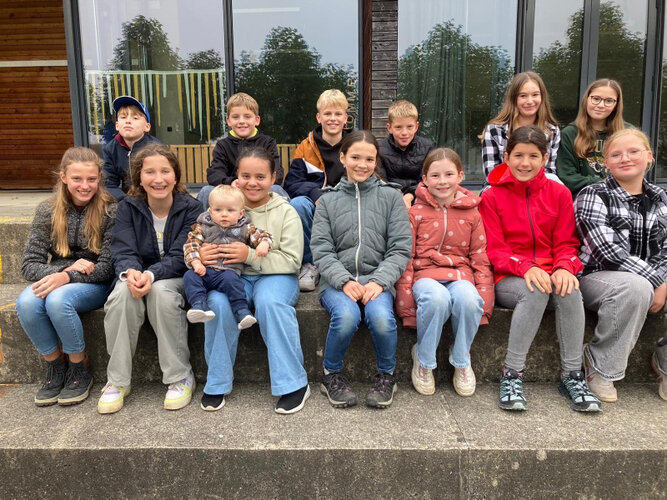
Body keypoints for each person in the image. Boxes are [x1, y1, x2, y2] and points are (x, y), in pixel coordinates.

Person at [479, 125, 601, 412]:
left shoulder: (559, 193)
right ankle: (512, 374)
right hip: (510, 277)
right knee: (534, 291)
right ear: (506, 157)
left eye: (533, 156)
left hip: (550, 271)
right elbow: (494, 250)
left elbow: (567, 242)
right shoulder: (491, 196)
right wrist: (525, 267)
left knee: (570, 290)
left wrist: (564, 267)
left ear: (545, 158)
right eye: (518, 155)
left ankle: (572, 376)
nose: (525, 163)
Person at [197, 147, 310, 414]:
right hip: (230, 276)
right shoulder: (223, 207)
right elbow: (198, 238)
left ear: (273, 178)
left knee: (270, 303)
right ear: (236, 176)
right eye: (246, 176)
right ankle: (217, 381)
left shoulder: (286, 212)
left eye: (260, 177)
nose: (252, 183)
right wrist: (201, 254)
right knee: (218, 303)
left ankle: (293, 383)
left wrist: (248, 255)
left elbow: (292, 260)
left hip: (275, 276)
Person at [98, 143, 202, 414]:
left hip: (176, 276)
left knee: (161, 293)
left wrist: (151, 274)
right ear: (139, 178)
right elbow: (123, 249)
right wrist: (131, 273)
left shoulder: (191, 208)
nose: (158, 179)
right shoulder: (127, 207)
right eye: (150, 172)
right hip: (138, 274)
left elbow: (181, 255)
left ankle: (180, 376)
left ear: (176, 176)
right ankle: (117, 381)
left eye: (165, 171)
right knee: (121, 294)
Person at [311, 130, 412, 409]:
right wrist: (343, 281)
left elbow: (400, 248)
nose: (362, 165)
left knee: (381, 319)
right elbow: (321, 249)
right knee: (346, 316)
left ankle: (386, 375)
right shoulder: (328, 200)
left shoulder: (391, 197)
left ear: (376, 161)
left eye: (370, 159)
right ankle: (331, 374)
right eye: (356, 157)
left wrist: (379, 281)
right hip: (337, 281)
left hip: (378, 280)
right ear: (343, 157)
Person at [16, 147, 116, 406]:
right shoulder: (47, 210)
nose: (85, 186)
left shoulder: (110, 210)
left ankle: (79, 366)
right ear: (63, 177)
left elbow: (108, 268)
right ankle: (55, 365)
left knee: (58, 301)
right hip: (59, 275)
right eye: (77, 179)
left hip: (95, 282)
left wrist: (69, 278)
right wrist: (62, 273)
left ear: (99, 178)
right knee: (26, 302)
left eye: (91, 179)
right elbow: (29, 265)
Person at [575, 128, 667, 403]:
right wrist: (657, 282)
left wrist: (663, 281)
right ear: (606, 163)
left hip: (650, 280)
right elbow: (608, 253)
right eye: (616, 154)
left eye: (633, 151)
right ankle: (600, 365)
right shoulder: (593, 194)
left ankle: (664, 359)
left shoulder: (661, 198)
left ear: (649, 157)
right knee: (635, 287)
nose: (625, 158)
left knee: (640, 285)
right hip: (597, 278)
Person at [395, 148, 494, 397]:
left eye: (449, 174)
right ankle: (424, 359)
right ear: (425, 179)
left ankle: (461, 359)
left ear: (460, 176)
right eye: (435, 175)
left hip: (460, 275)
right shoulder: (415, 213)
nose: (442, 181)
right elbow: (406, 256)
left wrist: (484, 301)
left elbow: (479, 256)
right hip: (425, 275)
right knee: (437, 298)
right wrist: (405, 304)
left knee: (469, 299)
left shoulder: (472, 213)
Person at [283, 89, 352, 292]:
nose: (333, 118)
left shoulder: (356, 143)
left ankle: (348, 261)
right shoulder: (306, 147)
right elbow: (291, 184)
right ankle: (310, 264)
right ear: (318, 117)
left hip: (347, 201)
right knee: (298, 204)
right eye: (327, 113)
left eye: (338, 114)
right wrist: (316, 194)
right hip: (316, 205)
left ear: (345, 118)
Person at [183, 184, 272, 329]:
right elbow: (190, 244)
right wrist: (196, 262)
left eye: (230, 210)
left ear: (241, 213)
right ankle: (199, 305)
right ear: (210, 211)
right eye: (218, 210)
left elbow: (262, 235)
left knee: (234, 283)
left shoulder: (244, 227)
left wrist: (264, 244)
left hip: (228, 272)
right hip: (205, 270)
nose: (224, 214)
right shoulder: (203, 226)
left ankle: (242, 312)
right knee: (189, 276)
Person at [199, 92, 286, 210]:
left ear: (257, 120)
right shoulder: (222, 145)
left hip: (259, 190)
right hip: (232, 193)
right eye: (236, 117)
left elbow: (277, 172)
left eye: (247, 116)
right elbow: (214, 173)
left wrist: (258, 182)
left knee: (277, 190)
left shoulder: (268, 143)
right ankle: (202, 222)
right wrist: (232, 182)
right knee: (206, 191)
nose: (241, 121)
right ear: (228, 121)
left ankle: (285, 220)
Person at [557, 79, 630, 196]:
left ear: (616, 105)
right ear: (586, 99)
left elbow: (635, 169)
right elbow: (567, 177)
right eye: (596, 99)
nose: (601, 105)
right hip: (585, 197)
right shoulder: (570, 134)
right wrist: (602, 183)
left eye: (609, 101)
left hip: (622, 196)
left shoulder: (628, 133)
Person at [481, 71, 560, 180]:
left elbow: (550, 171)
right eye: (523, 96)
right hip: (502, 185)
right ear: (513, 99)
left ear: (542, 97)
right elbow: (491, 173)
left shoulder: (552, 131)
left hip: (538, 186)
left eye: (535, 95)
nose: (530, 101)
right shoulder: (495, 130)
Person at [377, 100, 434, 210]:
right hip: (388, 201)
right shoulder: (380, 148)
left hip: (420, 200)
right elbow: (381, 180)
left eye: (409, 127)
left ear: (416, 126)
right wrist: (398, 199)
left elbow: (427, 179)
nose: (404, 132)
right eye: (398, 127)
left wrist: (409, 196)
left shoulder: (427, 147)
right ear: (389, 128)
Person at [102, 95, 161, 200]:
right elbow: (108, 184)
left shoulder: (156, 148)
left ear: (147, 127)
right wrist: (125, 201)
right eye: (123, 117)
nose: (128, 121)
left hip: (152, 199)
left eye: (135, 118)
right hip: (125, 200)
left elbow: (161, 181)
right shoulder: (110, 149)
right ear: (117, 125)